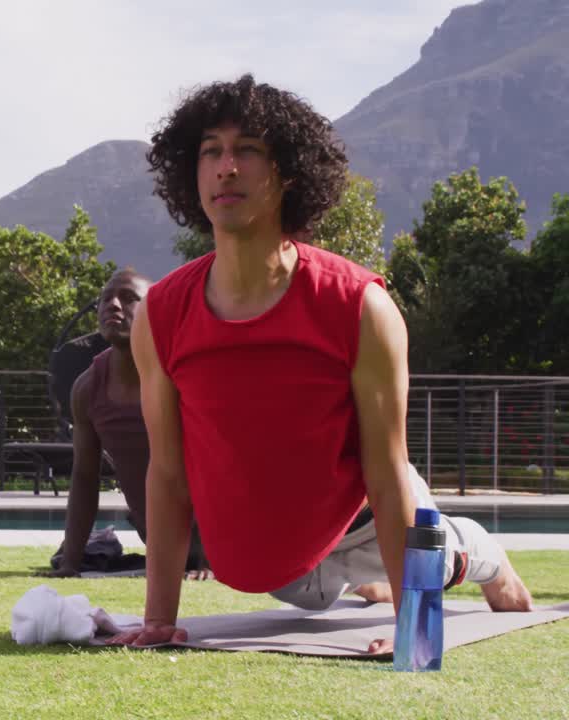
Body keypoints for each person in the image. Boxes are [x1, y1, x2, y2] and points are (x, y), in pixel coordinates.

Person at [109, 75, 532, 653]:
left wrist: (415, 627)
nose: (226, 168)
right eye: (211, 151)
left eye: (247, 150)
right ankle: (367, 580)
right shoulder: (160, 314)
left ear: (287, 173)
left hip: (362, 513)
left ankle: (479, 551)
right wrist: (158, 620)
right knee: (306, 591)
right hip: (280, 563)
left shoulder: (359, 307)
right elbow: (166, 473)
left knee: (432, 550)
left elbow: (387, 473)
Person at [46, 269, 208, 579]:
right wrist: (70, 562)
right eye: (105, 299)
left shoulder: (187, 376)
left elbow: (223, 465)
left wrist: (209, 559)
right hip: (161, 540)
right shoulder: (87, 388)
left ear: (157, 311)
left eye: (129, 298)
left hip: (217, 537)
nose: (113, 305)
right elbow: (84, 477)